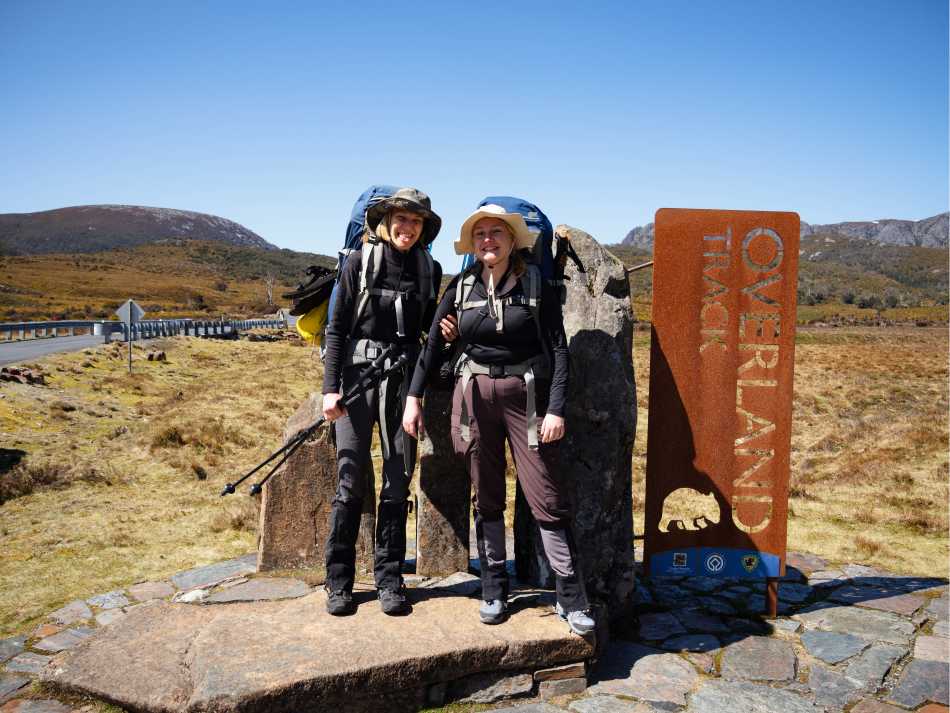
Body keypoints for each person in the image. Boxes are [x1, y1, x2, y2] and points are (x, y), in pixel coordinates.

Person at [402, 203, 595, 635]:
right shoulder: (462, 285)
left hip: (525, 401)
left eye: (496, 233)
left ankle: (570, 595)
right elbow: (432, 346)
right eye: (480, 234)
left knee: (546, 497)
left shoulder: (535, 284)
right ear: (472, 244)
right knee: (486, 496)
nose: (488, 240)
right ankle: (494, 587)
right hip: (473, 400)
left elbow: (559, 352)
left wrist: (557, 408)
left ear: (512, 240)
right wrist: (413, 398)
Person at [321, 187, 442, 616]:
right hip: (356, 382)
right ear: (385, 222)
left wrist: (444, 332)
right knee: (351, 477)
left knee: (397, 479)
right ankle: (339, 582)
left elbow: (429, 334)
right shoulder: (357, 264)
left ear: (424, 228)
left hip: (403, 384)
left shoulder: (431, 269)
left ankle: (390, 579)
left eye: (415, 221)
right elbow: (336, 330)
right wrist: (329, 389)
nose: (406, 227)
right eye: (400, 219)